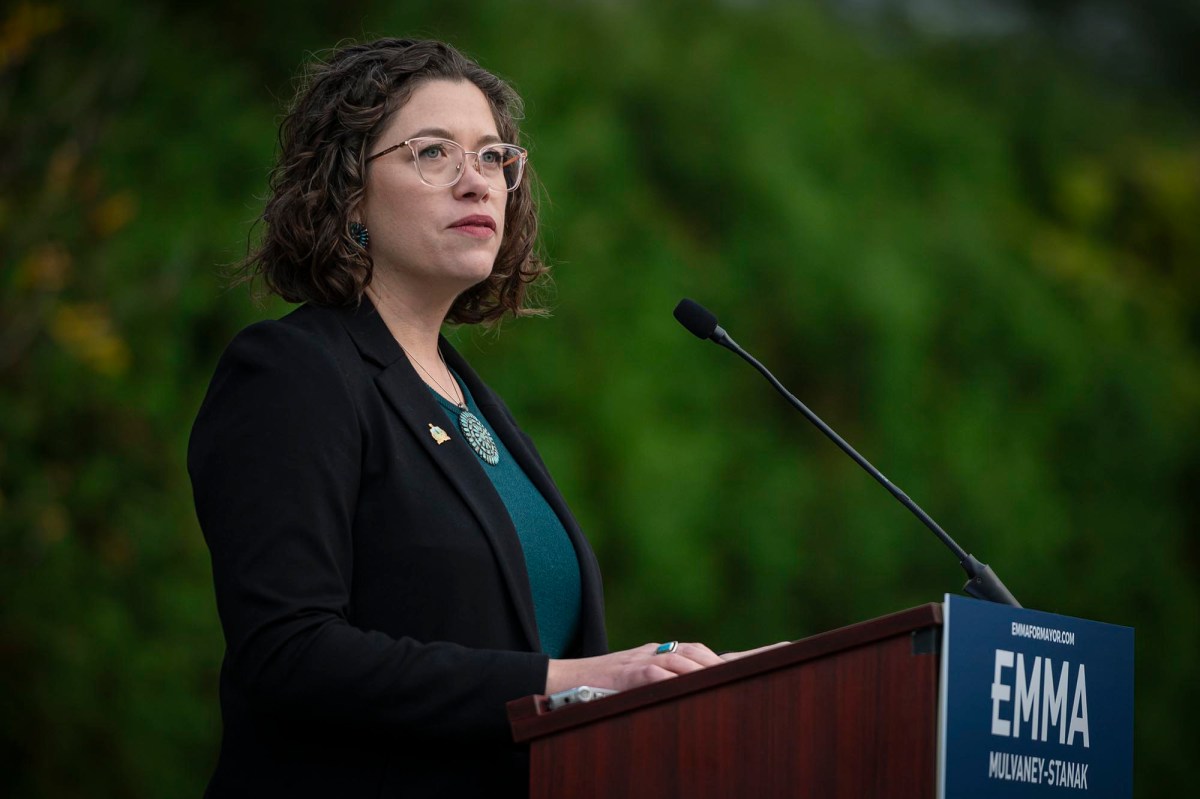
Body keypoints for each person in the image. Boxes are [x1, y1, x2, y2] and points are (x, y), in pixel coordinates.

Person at [188, 39, 729, 798]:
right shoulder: (293, 373)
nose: (476, 182)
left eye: (492, 156)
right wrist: (571, 679)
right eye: (432, 153)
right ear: (347, 193)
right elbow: (290, 653)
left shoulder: (476, 401)